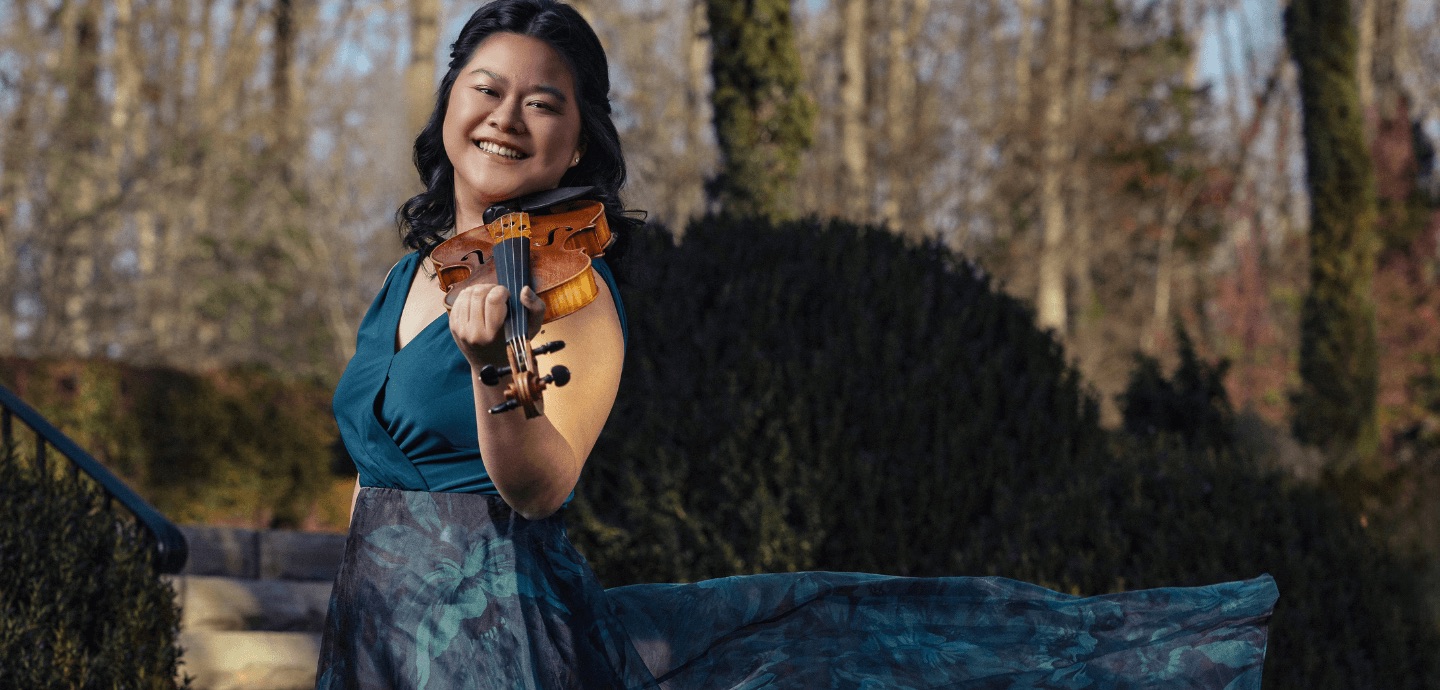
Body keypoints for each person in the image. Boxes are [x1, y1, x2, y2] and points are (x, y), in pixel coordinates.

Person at [318, 1, 1278, 688]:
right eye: (486, 87)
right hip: (373, 629)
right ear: (449, 105)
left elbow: (542, 487)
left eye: (545, 102)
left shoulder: (572, 292)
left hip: (495, 642)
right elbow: (377, 475)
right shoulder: (410, 277)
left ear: (578, 146)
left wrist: (495, 373)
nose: (506, 115)